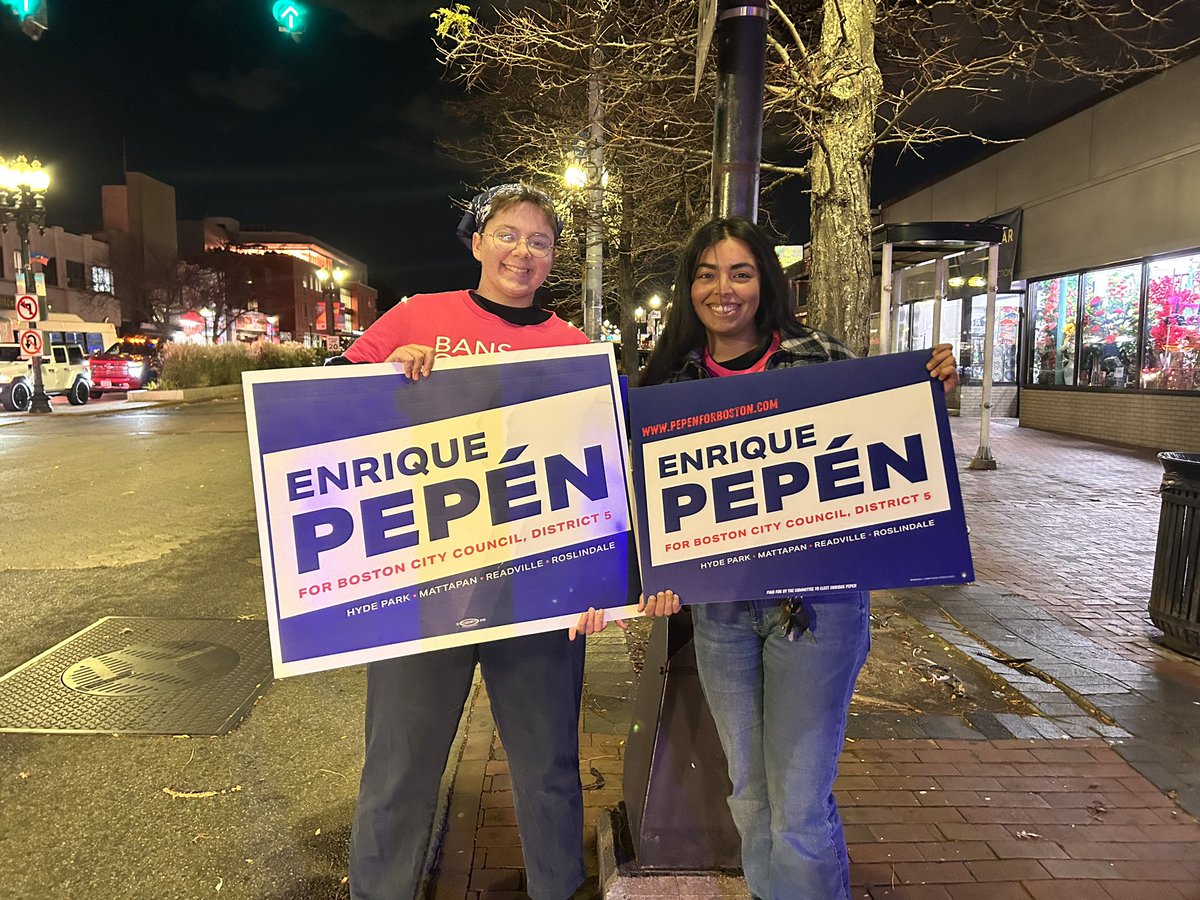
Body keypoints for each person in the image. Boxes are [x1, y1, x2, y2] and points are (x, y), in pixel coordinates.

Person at [576, 217, 958, 900]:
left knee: (801, 804)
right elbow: (640, 504)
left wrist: (930, 385)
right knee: (750, 795)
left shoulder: (823, 360)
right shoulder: (665, 382)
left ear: (766, 283)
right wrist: (653, 582)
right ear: (689, 286)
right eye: (706, 274)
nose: (723, 289)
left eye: (741, 273)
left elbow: (892, 440)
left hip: (816, 614)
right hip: (721, 614)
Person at [341, 184, 593, 900]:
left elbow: (597, 463)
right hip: (424, 584)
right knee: (400, 766)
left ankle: (558, 888)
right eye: (508, 234)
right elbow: (322, 410)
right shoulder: (419, 316)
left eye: (540, 241)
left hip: (534, 589)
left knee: (548, 766)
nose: (523, 251)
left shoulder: (571, 347)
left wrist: (600, 580)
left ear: (552, 258)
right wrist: (389, 376)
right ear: (477, 241)